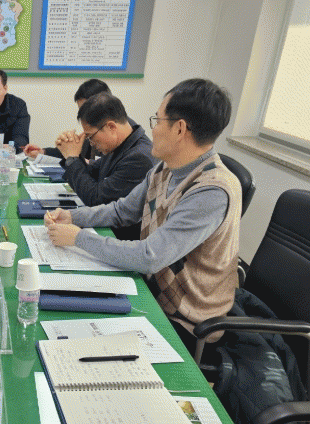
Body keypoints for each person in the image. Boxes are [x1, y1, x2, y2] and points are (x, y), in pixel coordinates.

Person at [46, 78, 241, 353]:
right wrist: (73, 218)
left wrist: (78, 239)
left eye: (157, 120)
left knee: (74, 342)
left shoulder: (212, 191)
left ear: (179, 128)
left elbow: (150, 256)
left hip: (184, 322)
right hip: (150, 293)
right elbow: (122, 210)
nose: (152, 128)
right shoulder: (165, 168)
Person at [53, 93, 155, 240]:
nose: (91, 143)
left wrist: (72, 159)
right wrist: (72, 155)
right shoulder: (122, 144)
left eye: (90, 136)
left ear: (111, 127)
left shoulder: (139, 158)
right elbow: (92, 173)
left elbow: (96, 200)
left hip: (121, 239)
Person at [24, 78, 110, 161]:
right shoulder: (90, 137)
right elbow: (66, 154)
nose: (84, 117)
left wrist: (73, 158)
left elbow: (96, 166)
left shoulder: (111, 141)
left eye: (87, 111)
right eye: (81, 111)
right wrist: (42, 152)